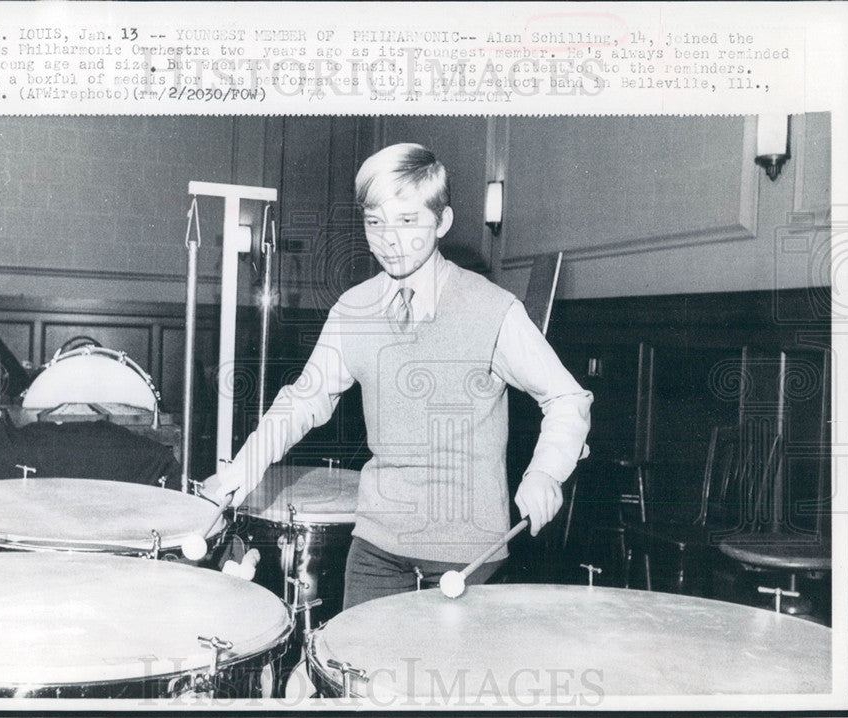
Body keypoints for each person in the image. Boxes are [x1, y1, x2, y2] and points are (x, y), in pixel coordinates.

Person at [206, 143, 592, 608]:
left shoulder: (494, 310)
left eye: (408, 221)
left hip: (469, 553)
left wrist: (546, 472)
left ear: (442, 222)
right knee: (358, 676)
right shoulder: (354, 309)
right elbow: (302, 402)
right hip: (376, 548)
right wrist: (239, 473)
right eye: (375, 222)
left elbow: (567, 399)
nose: (389, 239)